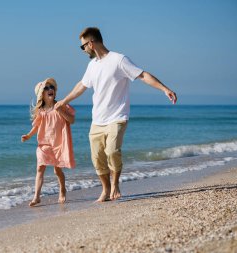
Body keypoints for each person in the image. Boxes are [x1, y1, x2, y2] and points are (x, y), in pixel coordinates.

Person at [55, 27, 177, 202]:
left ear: (91, 43)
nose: (83, 51)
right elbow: (81, 85)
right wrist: (64, 101)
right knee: (97, 158)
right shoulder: (92, 65)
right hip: (97, 119)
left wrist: (165, 89)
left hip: (117, 117)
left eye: (83, 46)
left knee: (112, 151)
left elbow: (142, 75)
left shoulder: (119, 60)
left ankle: (116, 184)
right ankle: (105, 189)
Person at [21, 77, 76, 207]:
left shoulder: (62, 105)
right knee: (40, 168)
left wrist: (60, 110)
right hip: (44, 144)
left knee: (57, 171)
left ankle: (62, 189)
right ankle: (36, 197)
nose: (50, 89)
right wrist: (28, 135)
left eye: (51, 87)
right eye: (46, 88)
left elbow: (72, 120)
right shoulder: (41, 111)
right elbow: (36, 126)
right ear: (42, 94)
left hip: (58, 144)